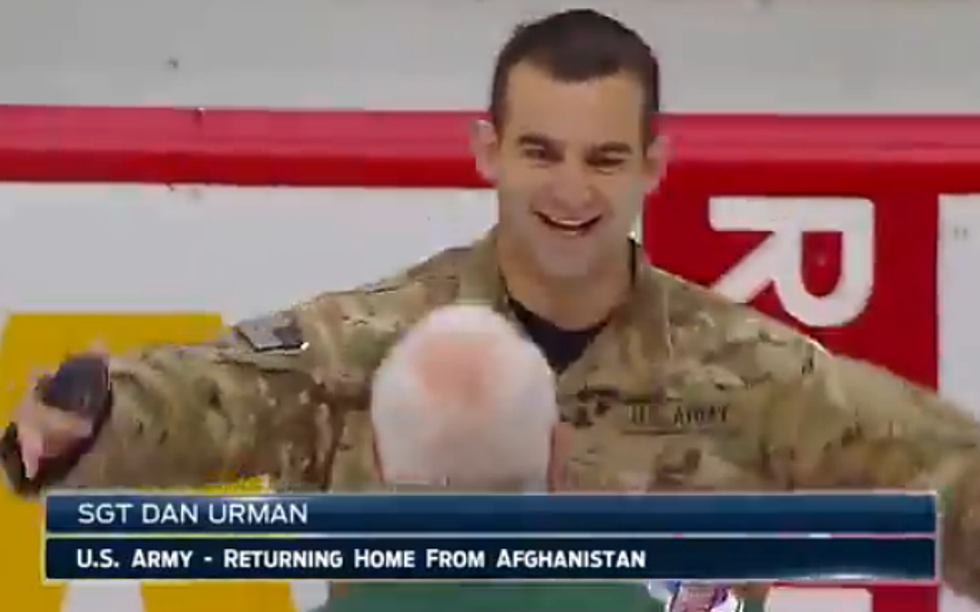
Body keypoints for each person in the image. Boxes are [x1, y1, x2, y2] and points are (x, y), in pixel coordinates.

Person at [1, 7, 978, 605]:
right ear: (486, 151)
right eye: (539, 153)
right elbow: (204, 397)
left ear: (652, 164)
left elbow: (938, 472)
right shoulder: (376, 346)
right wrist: (87, 421)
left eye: (602, 160)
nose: (570, 192)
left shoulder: (753, 374)